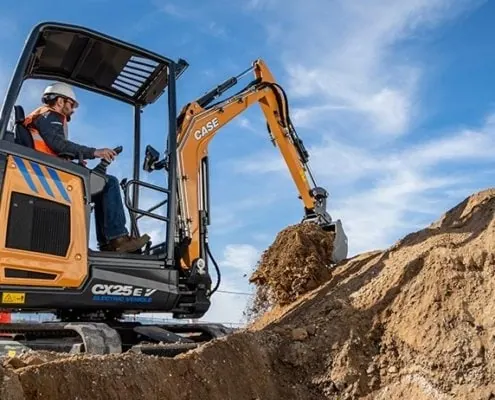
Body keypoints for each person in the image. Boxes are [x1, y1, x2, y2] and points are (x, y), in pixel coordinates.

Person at [23, 82, 150, 253]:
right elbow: (59, 144)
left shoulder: (42, 117)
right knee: (110, 183)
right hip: (50, 174)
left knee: (101, 185)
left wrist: (77, 162)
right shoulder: (50, 115)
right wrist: (95, 152)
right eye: (71, 104)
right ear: (60, 101)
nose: (73, 109)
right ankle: (117, 238)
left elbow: (55, 148)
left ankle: (109, 242)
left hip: (48, 170)